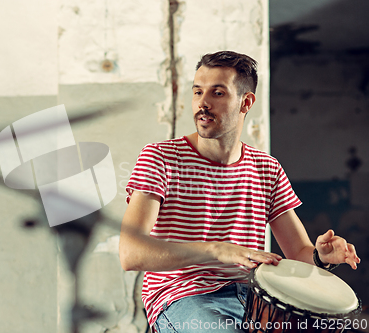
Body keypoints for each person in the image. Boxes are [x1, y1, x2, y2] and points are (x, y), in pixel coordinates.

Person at [119, 51, 360, 333]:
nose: (203, 103)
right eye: (198, 92)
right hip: (184, 298)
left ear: (246, 102)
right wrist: (216, 250)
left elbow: (298, 253)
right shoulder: (160, 157)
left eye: (217, 93)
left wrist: (320, 257)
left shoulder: (266, 168)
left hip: (256, 298)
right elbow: (131, 253)